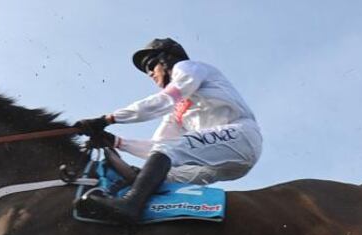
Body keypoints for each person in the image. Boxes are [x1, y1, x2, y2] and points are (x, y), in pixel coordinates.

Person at [73, 37, 263, 224]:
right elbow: (157, 148)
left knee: (165, 155)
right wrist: (116, 142)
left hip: (242, 136)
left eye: (151, 66)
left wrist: (108, 119)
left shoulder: (188, 68)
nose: (149, 74)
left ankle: (130, 204)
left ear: (167, 60)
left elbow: (163, 102)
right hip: (226, 164)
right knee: (163, 176)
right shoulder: (176, 112)